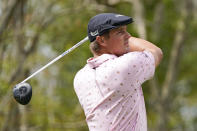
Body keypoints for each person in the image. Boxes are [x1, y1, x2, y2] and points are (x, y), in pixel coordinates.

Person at [73, 13, 163, 131]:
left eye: (126, 31)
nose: (128, 36)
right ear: (102, 40)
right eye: (120, 32)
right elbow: (156, 52)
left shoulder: (80, 77)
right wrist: (127, 41)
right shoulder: (125, 66)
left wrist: (120, 39)